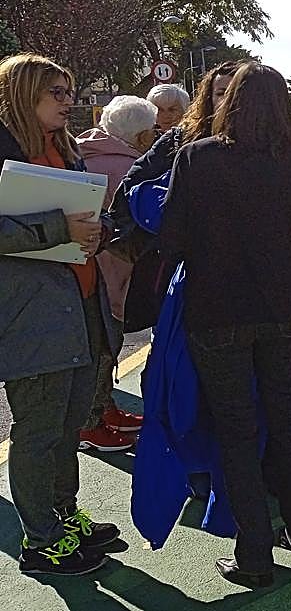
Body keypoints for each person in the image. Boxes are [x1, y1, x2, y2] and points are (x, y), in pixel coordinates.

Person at [159, 63, 291, 588]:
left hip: (217, 311)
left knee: (236, 430)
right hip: (286, 311)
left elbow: (171, 238)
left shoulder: (196, 160)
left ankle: (254, 554)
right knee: (288, 422)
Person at [0, 54, 124, 577]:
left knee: (69, 425)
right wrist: (62, 230)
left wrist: (100, 228)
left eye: (70, 91)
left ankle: (62, 519)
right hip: (32, 315)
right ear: (25, 94)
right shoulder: (5, 149)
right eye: (58, 92)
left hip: (76, 304)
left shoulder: (62, 148)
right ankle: (41, 541)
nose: (69, 101)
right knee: (39, 431)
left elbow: (78, 218)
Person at [108, 62, 239, 336]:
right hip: (188, 272)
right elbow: (131, 187)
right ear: (208, 97)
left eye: (236, 92)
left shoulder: (272, 145)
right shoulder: (180, 140)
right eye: (220, 93)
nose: (227, 101)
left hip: (251, 275)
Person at [76, 95, 159, 449]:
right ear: (141, 136)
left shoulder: (83, 153)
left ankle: (104, 409)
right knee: (104, 347)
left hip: (86, 269)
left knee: (100, 345)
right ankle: (91, 422)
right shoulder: (127, 169)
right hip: (111, 273)